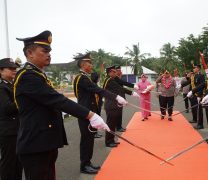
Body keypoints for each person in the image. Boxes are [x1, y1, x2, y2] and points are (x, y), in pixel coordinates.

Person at [14, 30, 127, 180]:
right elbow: (58, 100)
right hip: (36, 142)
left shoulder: (37, 74)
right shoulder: (28, 76)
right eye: (44, 50)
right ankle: (85, 163)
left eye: (50, 51)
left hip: (44, 140)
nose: (49, 54)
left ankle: (87, 162)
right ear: (30, 53)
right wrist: (91, 114)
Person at [73, 53, 110, 174]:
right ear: (83, 65)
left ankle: (87, 162)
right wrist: (113, 96)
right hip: (85, 114)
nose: (91, 65)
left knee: (89, 139)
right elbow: (96, 89)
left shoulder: (85, 77)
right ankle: (84, 165)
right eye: (89, 63)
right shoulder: (81, 78)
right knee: (86, 140)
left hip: (89, 113)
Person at [103, 65, 139, 147]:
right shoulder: (109, 80)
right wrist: (132, 93)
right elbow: (120, 88)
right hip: (110, 105)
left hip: (113, 104)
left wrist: (132, 89)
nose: (116, 73)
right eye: (114, 72)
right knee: (110, 124)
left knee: (112, 124)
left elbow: (121, 84)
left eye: (116, 72)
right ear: (110, 73)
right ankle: (108, 141)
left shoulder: (112, 79)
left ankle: (111, 140)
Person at [0, 58, 23, 180]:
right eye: (11, 68)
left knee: (18, 162)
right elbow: (7, 108)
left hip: (18, 129)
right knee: (8, 162)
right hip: (8, 131)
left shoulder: (13, 85)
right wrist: (24, 99)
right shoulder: (2, 88)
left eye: (15, 68)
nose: (14, 71)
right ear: (1, 71)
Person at [182, 64, 205, 129]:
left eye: (195, 68)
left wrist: (200, 95)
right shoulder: (193, 76)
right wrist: (181, 85)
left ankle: (200, 124)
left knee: (199, 110)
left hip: (198, 95)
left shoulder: (201, 76)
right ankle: (194, 119)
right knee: (193, 108)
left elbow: (202, 86)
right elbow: (189, 82)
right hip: (192, 95)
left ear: (198, 69)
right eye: (193, 68)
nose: (193, 69)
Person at [114, 65, 134, 132]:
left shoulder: (119, 78)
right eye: (118, 70)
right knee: (118, 113)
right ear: (116, 71)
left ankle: (118, 126)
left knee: (119, 113)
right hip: (117, 98)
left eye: (120, 70)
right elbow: (123, 85)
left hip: (120, 97)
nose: (120, 71)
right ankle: (118, 127)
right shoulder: (115, 79)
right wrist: (133, 87)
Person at [91, 72, 103, 138]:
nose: (99, 79)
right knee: (95, 119)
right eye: (98, 77)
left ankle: (95, 132)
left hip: (98, 104)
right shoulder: (93, 85)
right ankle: (94, 133)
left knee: (97, 117)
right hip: (95, 104)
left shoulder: (95, 84)